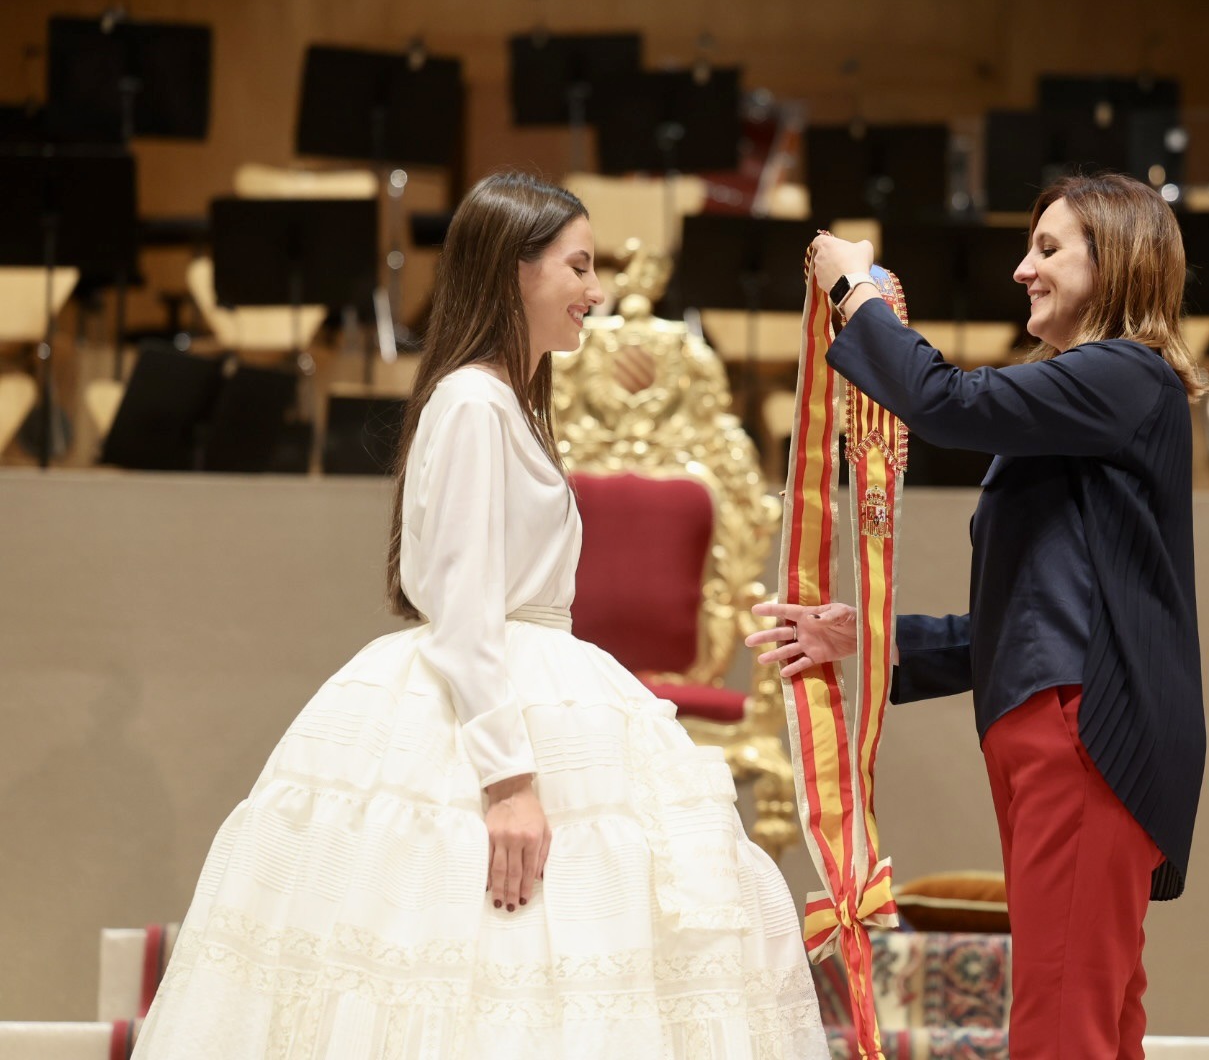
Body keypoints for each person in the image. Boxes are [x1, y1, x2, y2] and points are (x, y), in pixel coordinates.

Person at [135, 172, 829, 1060]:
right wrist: (508, 784)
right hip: (490, 697)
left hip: (538, 675)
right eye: (578, 266)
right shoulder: (471, 403)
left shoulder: (503, 403)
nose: (596, 292)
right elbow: (464, 609)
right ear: (515, 272)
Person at [748, 172, 1206, 1060]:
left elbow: (946, 403)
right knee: (1097, 1021)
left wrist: (856, 292)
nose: (1020, 271)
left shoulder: (1123, 373)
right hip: (1060, 728)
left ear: (1113, 263)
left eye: (1048, 248)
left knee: (1064, 1021)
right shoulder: (1093, 396)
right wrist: (875, 640)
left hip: (1083, 736)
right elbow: (1033, 615)